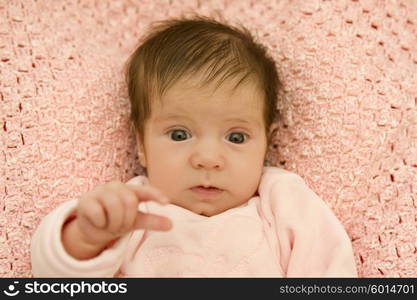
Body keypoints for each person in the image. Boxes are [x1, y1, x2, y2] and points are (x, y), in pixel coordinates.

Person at [31, 16, 357, 277]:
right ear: (140, 144)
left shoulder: (282, 201)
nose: (207, 159)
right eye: (178, 134)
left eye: (236, 138)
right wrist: (86, 237)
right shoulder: (131, 210)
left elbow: (331, 269)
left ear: (267, 143)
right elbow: (55, 281)